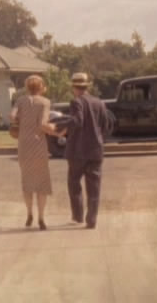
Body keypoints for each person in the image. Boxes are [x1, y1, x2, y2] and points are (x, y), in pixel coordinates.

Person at [10, 75, 62, 231]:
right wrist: (56, 132)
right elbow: (43, 124)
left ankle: (29, 213)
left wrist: (19, 122)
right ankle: (41, 217)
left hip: (24, 144)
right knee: (42, 183)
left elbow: (12, 116)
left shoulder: (20, 101)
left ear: (27, 87)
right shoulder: (45, 102)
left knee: (27, 181)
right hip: (39, 144)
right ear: (41, 87)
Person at [62, 72, 112, 229]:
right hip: (96, 150)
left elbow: (77, 121)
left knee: (74, 183)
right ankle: (92, 219)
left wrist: (60, 126)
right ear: (86, 86)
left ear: (74, 87)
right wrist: (99, 139)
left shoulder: (76, 102)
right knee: (94, 186)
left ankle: (78, 216)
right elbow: (106, 125)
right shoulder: (99, 102)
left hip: (78, 151)